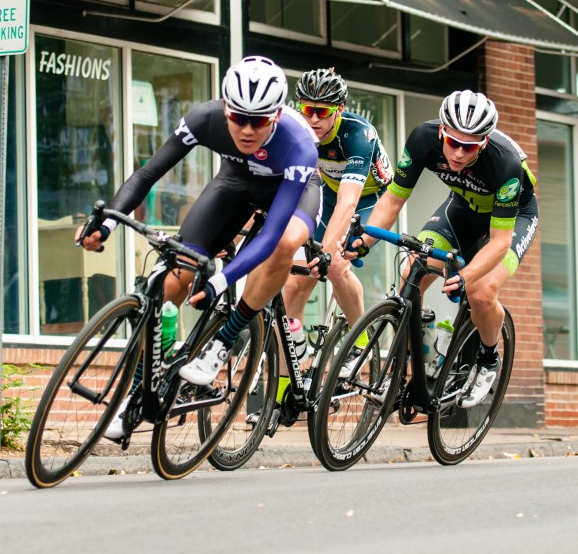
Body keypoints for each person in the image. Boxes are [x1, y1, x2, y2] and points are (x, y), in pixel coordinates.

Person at [77, 56, 320, 439]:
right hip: (235, 183)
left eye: (258, 121)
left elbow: (271, 234)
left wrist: (222, 281)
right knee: (174, 276)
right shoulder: (203, 119)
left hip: (291, 193)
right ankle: (140, 393)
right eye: (238, 117)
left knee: (285, 244)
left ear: (275, 115)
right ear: (225, 108)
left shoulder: (300, 144)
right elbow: (147, 174)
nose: (246, 129)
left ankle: (223, 342)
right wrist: (106, 222)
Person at [345, 90, 538, 408]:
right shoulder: (422, 138)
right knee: (411, 271)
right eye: (453, 142)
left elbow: (500, 242)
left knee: (480, 291)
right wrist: (365, 241)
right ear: (441, 132)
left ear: (484, 143)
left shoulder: (505, 164)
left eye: (470, 146)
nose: (459, 153)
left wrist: (465, 276)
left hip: (512, 220)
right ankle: (416, 356)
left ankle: (488, 359)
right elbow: (393, 199)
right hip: (461, 209)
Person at [282, 68, 392, 379]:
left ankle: (360, 342)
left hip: (372, 199)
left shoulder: (358, 134)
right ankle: (298, 355)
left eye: (322, 111)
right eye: (306, 109)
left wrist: (328, 251)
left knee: (335, 266)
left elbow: (350, 202)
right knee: (293, 284)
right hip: (328, 193)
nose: (313, 119)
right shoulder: (297, 131)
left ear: (339, 109)